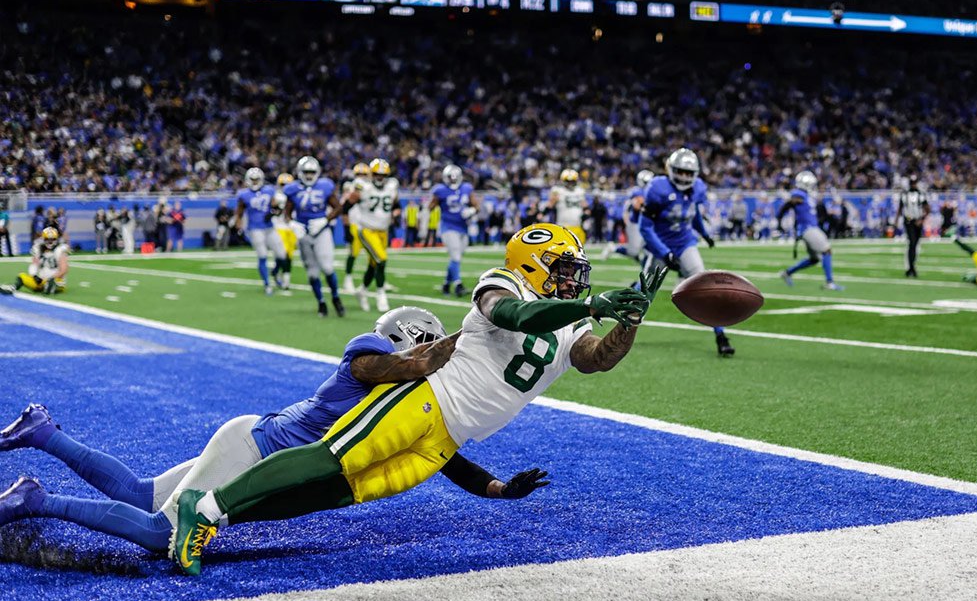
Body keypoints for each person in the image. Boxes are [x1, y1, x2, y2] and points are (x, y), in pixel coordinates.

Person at [170, 226, 664, 575]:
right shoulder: (502, 283)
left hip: (450, 438)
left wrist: (629, 322)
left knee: (340, 490)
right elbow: (516, 314)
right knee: (332, 459)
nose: (573, 278)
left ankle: (220, 519)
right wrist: (587, 305)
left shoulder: (571, 322)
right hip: (429, 396)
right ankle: (206, 506)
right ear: (534, 265)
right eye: (562, 268)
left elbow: (597, 358)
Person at [0, 308, 545, 555]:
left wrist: (498, 488)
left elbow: (447, 456)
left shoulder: (409, 399)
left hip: (252, 441)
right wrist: (470, 334)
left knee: (138, 494)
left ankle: (44, 432)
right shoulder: (371, 356)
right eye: (423, 347)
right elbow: (394, 369)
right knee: (160, 535)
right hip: (255, 451)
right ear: (411, 341)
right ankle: (35, 500)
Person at [639, 147, 733, 357]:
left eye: (688, 173)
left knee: (704, 288)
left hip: (684, 243)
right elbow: (644, 227)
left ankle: (721, 335)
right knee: (644, 292)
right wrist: (664, 253)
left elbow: (694, 213)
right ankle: (623, 331)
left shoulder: (698, 188)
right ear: (671, 169)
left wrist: (704, 233)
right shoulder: (658, 188)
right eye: (680, 171)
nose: (684, 177)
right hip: (660, 244)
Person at [283, 156, 345, 317]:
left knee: (327, 267)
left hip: (321, 231)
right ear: (300, 172)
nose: (309, 176)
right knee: (312, 273)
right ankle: (321, 302)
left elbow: (338, 207)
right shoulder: (293, 189)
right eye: (306, 172)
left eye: (312, 172)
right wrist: (292, 224)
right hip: (303, 232)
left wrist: (325, 219)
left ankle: (336, 298)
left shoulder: (325, 186)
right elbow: (287, 212)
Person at [342, 158, 401, 312]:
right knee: (381, 259)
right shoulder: (363, 187)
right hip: (367, 230)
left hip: (383, 231)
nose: (380, 178)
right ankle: (381, 295)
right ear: (371, 174)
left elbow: (396, 204)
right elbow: (346, 206)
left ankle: (362, 291)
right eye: (376, 174)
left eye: (382, 175)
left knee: (373, 264)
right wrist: (347, 227)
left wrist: (396, 213)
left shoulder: (392, 186)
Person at [778, 171, 843, 291]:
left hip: (809, 228)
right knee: (827, 251)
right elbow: (788, 204)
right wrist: (779, 220)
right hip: (808, 229)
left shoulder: (806, 196)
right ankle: (830, 283)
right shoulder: (799, 193)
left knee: (814, 259)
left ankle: (787, 272)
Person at [234, 168, 287, 295]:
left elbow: (276, 208)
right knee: (262, 255)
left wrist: (274, 212)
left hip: (269, 227)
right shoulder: (244, 194)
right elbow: (239, 214)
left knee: (282, 255)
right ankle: (267, 284)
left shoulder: (269, 190)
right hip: (255, 229)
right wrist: (238, 228)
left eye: (257, 179)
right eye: (252, 179)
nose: (255, 182)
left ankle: (274, 272)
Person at [428, 164, 478, 297]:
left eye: (455, 178)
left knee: (456, 258)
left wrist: (471, 210)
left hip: (463, 227)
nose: (453, 180)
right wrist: (433, 202)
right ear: (446, 178)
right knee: (455, 255)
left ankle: (446, 284)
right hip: (448, 227)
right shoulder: (440, 190)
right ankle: (458, 285)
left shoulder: (467, 188)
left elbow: (476, 205)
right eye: (451, 178)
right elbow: (430, 207)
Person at [601, 169, 654, 263]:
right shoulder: (637, 191)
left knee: (650, 250)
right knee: (633, 252)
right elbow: (638, 206)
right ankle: (613, 248)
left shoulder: (650, 192)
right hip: (636, 224)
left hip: (648, 224)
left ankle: (646, 272)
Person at [1, 227, 69, 295]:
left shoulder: (60, 250)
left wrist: (51, 278)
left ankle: (48, 287)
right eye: (47, 239)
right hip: (42, 280)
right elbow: (34, 264)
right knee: (22, 276)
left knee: (51, 283)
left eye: (52, 239)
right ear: (43, 239)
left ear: (56, 239)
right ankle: (13, 288)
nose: (50, 242)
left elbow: (63, 270)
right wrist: (34, 276)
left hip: (56, 280)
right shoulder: (38, 249)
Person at [341, 162, 371, 295]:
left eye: (364, 174)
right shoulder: (355, 186)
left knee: (374, 256)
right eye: (359, 174)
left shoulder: (371, 187)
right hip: (355, 224)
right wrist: (346, 228)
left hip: (369, 225)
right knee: (353, 253)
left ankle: (374, 280)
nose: (361, 177)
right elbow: (345, 207)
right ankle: (347, 279)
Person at [895, 176, 929, 278]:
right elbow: (900, 208)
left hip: (917, 221)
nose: (913, 185)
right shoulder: (904, 194)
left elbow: (927, 208)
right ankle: (911, 268)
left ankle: (911, 268)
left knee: (915, 244)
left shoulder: (920, 194)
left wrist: (922, 219)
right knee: (912, 243)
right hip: (908, 221)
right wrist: (896, 221)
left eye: (915, 183)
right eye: (912, 183)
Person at [548, 168, 590, 245]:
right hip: (562, 225)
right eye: (568, 181)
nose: (570, 183)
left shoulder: (579, 191)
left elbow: (585, 207)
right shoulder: (557, 191)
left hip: (577, 225)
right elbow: (550, 205)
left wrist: (586, 215)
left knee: (578, 251)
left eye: (572, 181)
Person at [271, 173, 296, 288]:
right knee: (284, 253)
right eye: (283, 184)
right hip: (280, 226)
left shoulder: (297, 195)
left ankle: (279, 273)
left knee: (290, 254)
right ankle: (285, 279)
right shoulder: (277, 196)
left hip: (292, 227)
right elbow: (274, 209)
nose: (285, 187)